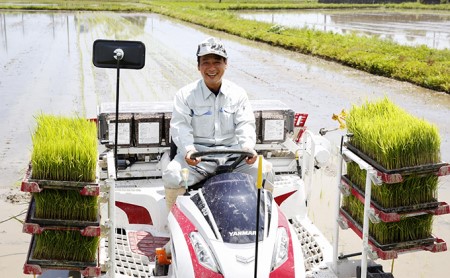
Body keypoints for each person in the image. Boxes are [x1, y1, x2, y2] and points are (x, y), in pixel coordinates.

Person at [162, 37, 269, 211]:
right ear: (198, 66)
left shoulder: (238, 94)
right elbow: (180, 127)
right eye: (206, 62)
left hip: (234, 158)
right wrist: (189, 150)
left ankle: (260, 218)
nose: (212, 68)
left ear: (226, 64)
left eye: (217, 62)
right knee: (173, 175)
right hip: (198, 160)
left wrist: (248, 147)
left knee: (264, 170)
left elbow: (246, 124)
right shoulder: (185, 95)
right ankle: (174, 222)